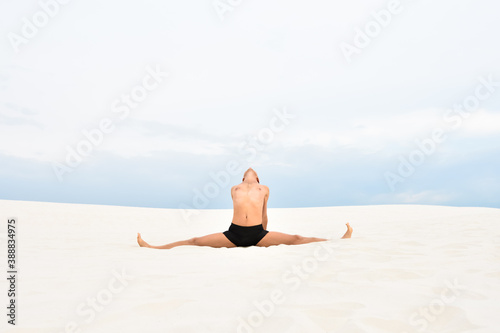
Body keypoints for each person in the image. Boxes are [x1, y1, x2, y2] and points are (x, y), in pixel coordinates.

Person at [137, 168, 353, 249]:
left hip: (257, 233)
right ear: (243, 178)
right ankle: (153, 247)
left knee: (296, 238)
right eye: (246, 173)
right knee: (194, 241)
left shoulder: (264, 188)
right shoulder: (235, 188)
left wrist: (265, 233)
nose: (250, 170)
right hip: (234, 233)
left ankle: (339, 239)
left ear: (258, 177)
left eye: (253, 172)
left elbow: (264, 213)